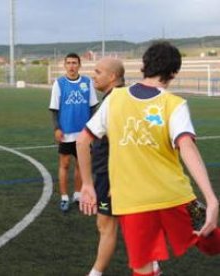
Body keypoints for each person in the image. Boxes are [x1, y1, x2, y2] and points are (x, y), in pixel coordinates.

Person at [77, 42, 220, 276]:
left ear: (143, 66)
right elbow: (186, 146)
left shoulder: (114, 99)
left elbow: (82, 141)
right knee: (211, 242)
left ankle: (152, 266)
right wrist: (212, 198)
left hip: (132, 202)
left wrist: (87, 184)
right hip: (173, 196)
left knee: (142, 268)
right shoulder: (174, 104)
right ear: (174, 73)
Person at [84, 57, 126, 276]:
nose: (94, 76)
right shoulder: (116, 98)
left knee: (106, 225)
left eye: (98, 72)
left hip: (109, 174)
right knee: (126, 223)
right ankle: (153, 266)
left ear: (112, 77)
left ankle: (96, 273)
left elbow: (85, 139)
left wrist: (112, 180)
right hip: (108, 173)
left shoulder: (115, 100)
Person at [49, 52, 98, 212]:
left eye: (74, 63)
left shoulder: (87, 82)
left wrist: (91, 129)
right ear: (65, 65)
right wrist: (57, 128)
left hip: (83, 134)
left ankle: (77, 194)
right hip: (66, 132)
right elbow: (54, 109)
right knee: (64, 164)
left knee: (80, 165)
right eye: (68, 63)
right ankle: (64, 197)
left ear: (79, 65)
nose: (71, 66)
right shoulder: (59, 83)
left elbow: (92, 106)